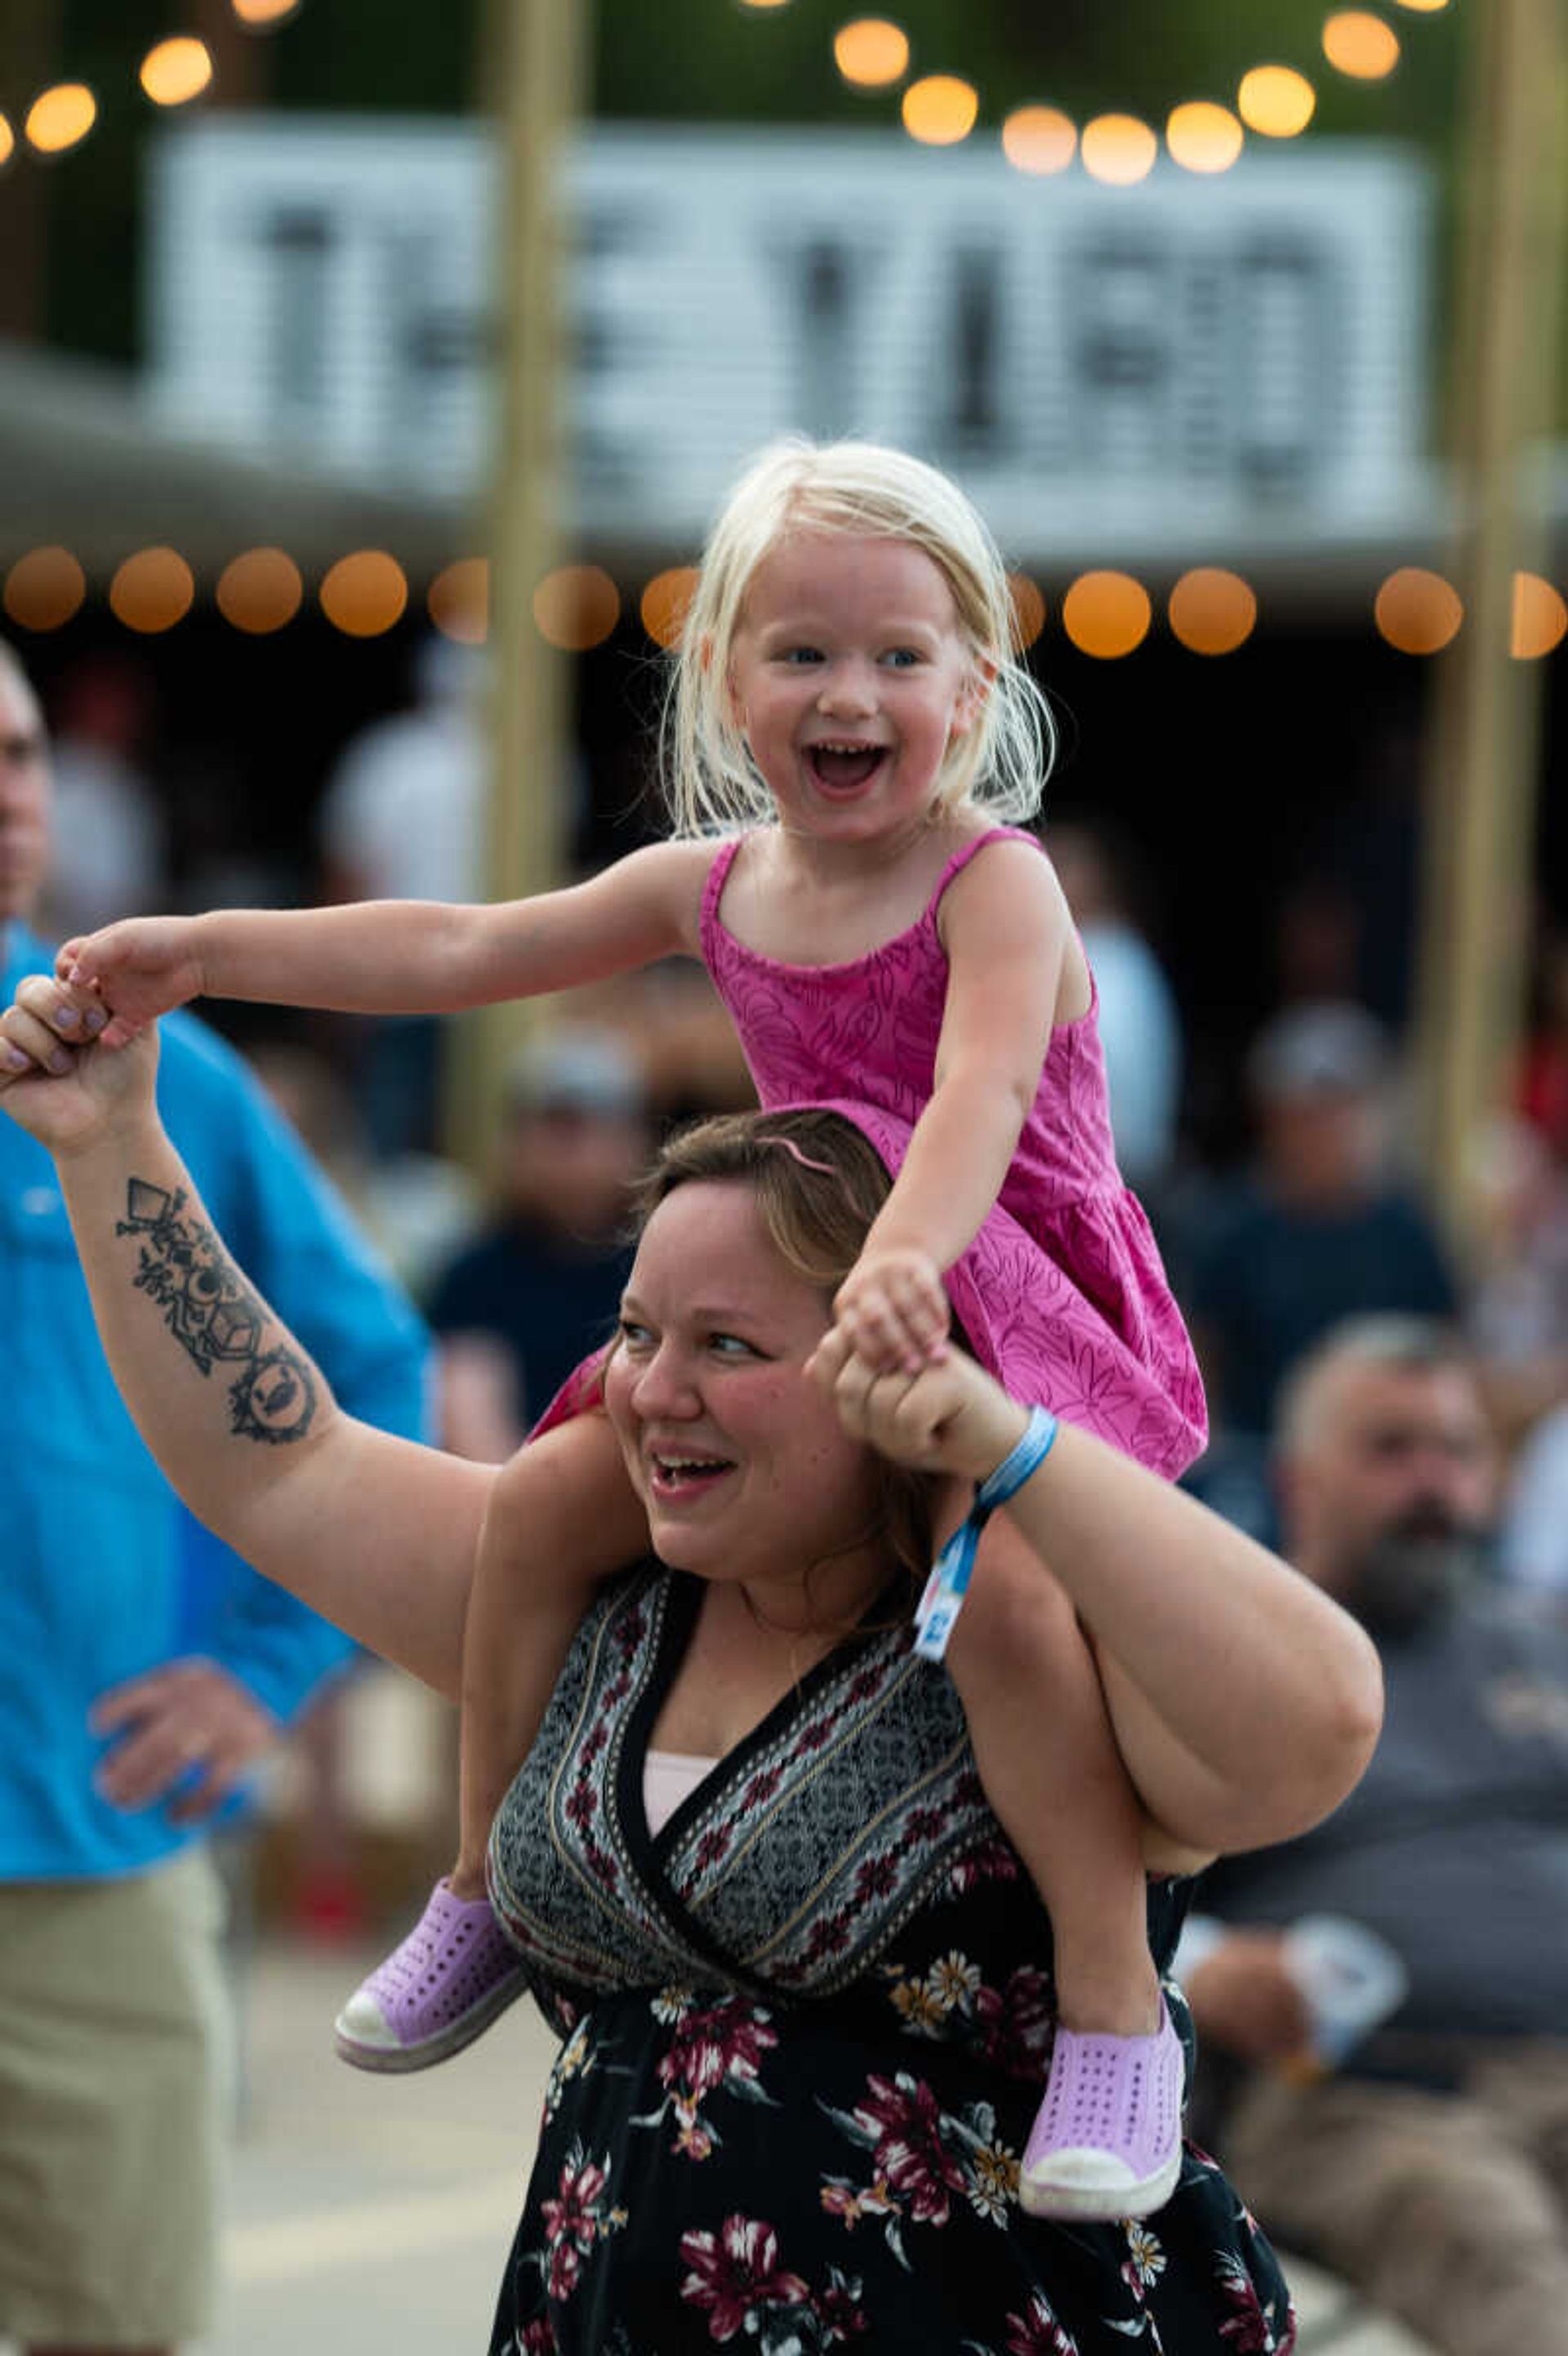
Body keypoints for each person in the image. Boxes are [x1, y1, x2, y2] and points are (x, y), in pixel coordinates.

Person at [56, 436, 1209, 2216]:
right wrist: (210, 946)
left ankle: (1115, 2005)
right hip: (797, 1294)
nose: (853, 692)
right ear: (728, 680)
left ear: (978, 684)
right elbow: (457, 944)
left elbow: (979, 1098)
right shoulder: (717, 883)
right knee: (538, 1502)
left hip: (991, 1288)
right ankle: (484, 1881)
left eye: (902, 656)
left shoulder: (1001, 882)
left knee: (1022, 1604)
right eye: (804, 651)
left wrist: (910, 1268)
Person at [0, 1002, 1384, 2350]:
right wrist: (112, 1137)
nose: (652, 1390)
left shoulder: (1043, 1645)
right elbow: (282, 1462)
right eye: (637, 1329)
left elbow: (1321, 1717)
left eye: (729, 1343)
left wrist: (1017, 1446)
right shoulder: (580, 1612)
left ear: (898, 1364)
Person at [0, 640, 431, 2356]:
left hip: (83, 1846)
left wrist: (261, 1672)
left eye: (25, 753)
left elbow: (370, 1371)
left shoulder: (149, 1078)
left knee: (123, 2333)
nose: (7, 789)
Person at [1178, 1315, 1568, 2356]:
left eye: (1458, 1450)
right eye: (1392, 1449)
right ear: (1300, 1482)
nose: (1434, 1481)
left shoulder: (1539, 1645)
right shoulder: (1222, 1652)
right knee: (1494, 2250)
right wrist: (1207, 1969)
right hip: (1368, 2100)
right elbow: (1080, 1895)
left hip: (1557, 2069)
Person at [429, 1026, 649, 1461]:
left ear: (633, 1141)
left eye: (584, 1129)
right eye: (549, 1129)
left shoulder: (660, 1265)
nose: (565, 1153)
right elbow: (472, 1430)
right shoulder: (474, 1277)